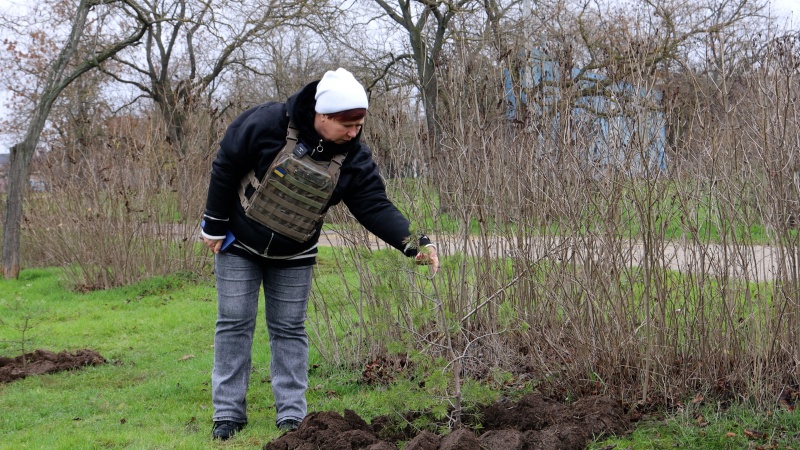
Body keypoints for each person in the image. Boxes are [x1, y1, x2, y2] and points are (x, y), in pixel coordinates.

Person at [200, 67, 439, 441]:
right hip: (240, 241)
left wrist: (414, 243)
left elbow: (374, 205)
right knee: (234, 323)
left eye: (359, 124)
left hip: (296, 251)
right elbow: (227, 164)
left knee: (289, 329)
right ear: (321, 115)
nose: (354, 132)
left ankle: (293, 417)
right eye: (347, 124)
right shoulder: (266, 122)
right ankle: (228, 414)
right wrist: (213, 224)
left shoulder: (355, 158)